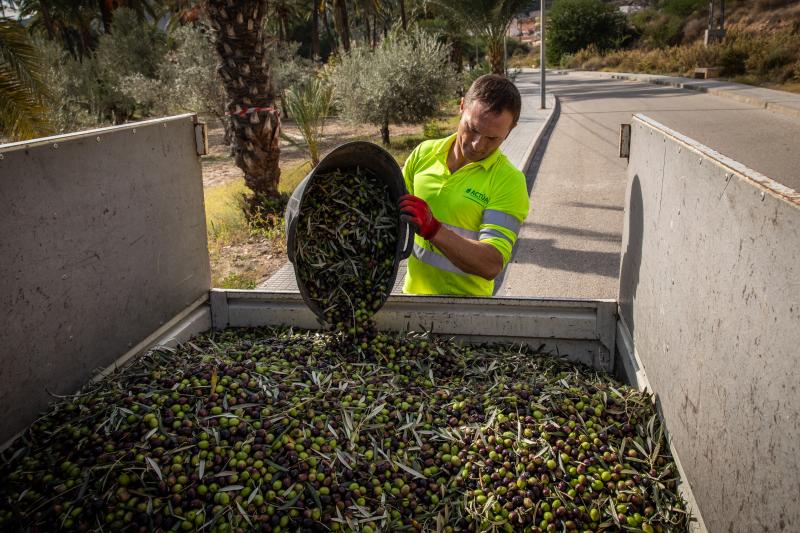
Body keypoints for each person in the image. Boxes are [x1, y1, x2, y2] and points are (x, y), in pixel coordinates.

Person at [398, 74, 529, 296]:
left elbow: (491, 263)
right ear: (461, 106)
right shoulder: (424, 154)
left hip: (466, 314)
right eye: (473, 129)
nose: (478, 145)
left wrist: (433, 229)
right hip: (412, 300)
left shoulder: (509, 182)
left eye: (493, 138)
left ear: (511, 130)